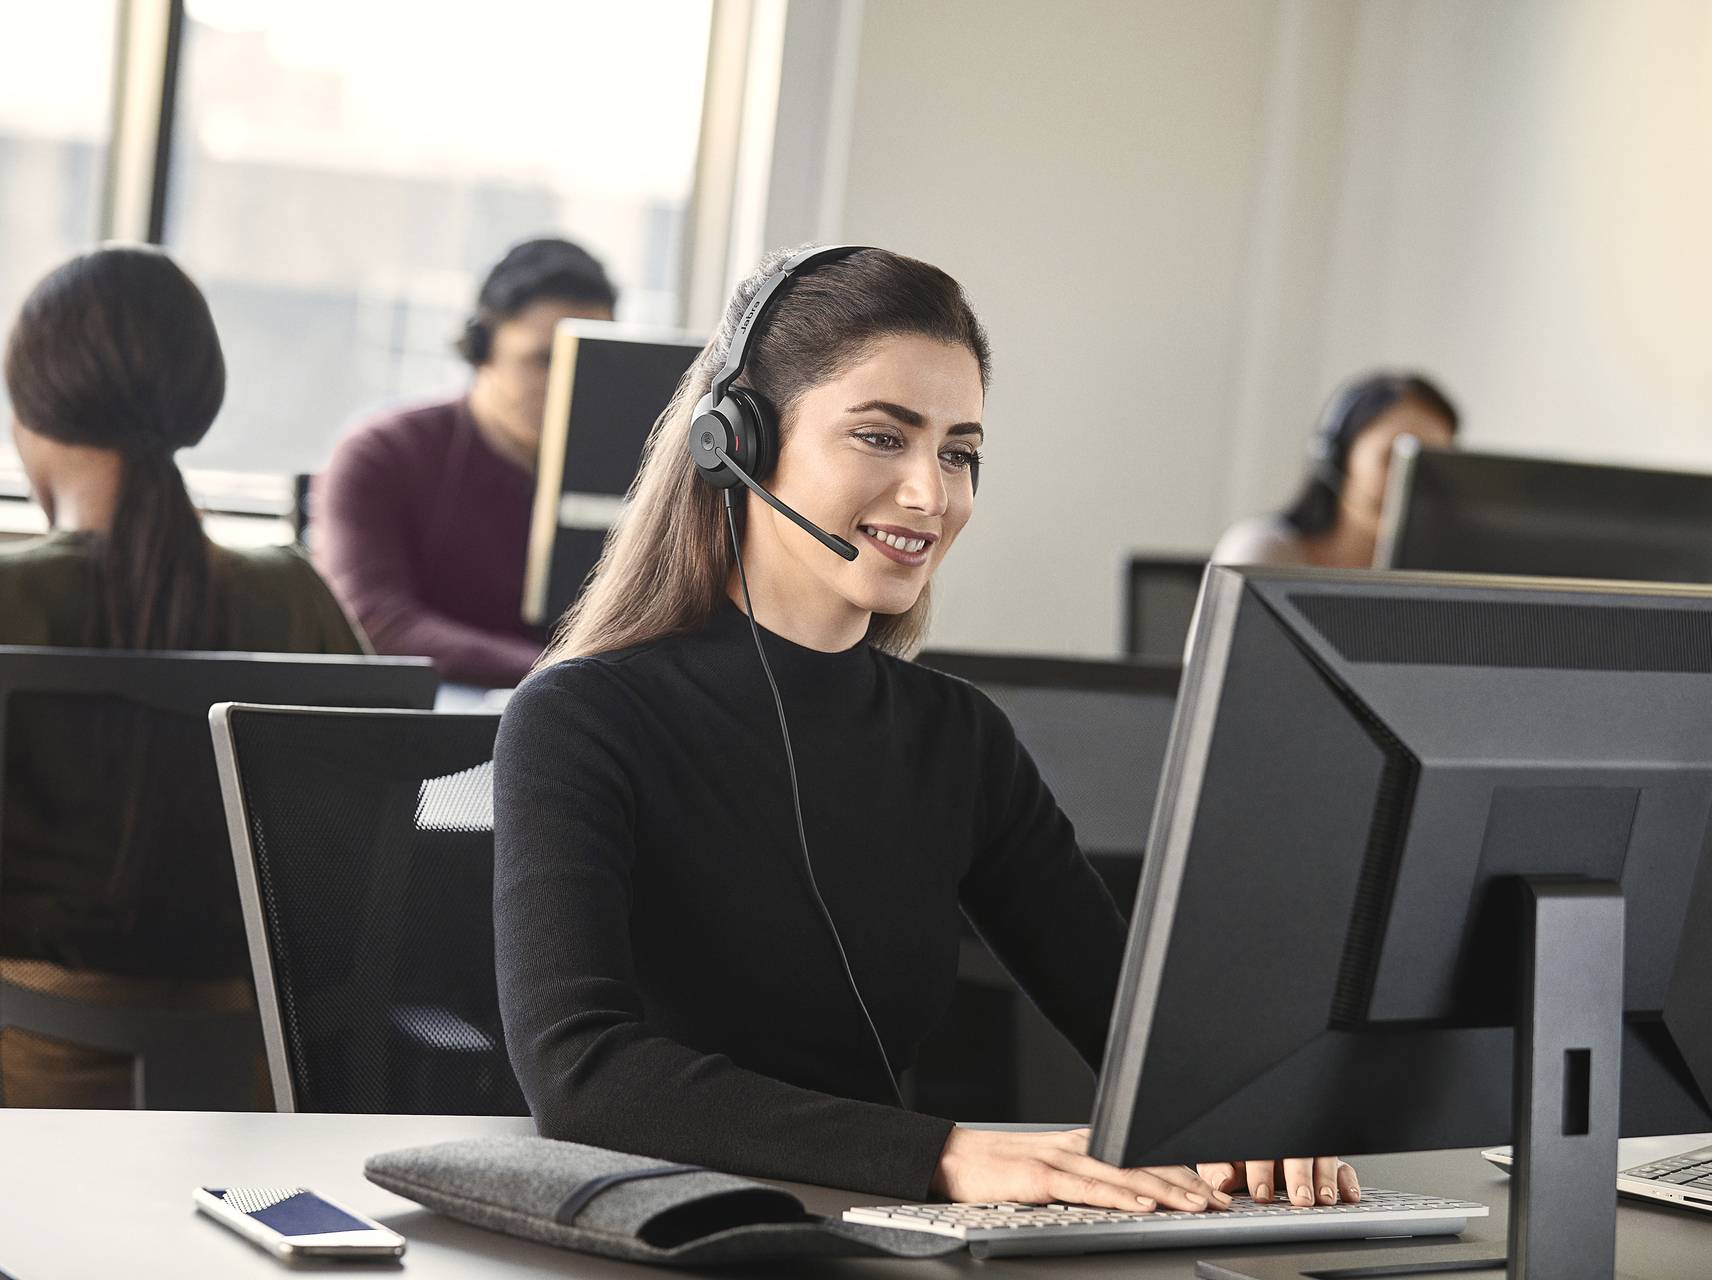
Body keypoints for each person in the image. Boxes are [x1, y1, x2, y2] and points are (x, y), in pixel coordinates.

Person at [494, 245, 1359, 1210]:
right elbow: (582, 1072)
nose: (931, 495)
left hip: (871, 1234)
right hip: (654, 1233)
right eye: (881, 437)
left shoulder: (959, 739)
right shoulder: (582, 719)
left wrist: (1257, 1116)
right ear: (736, 443)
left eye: (958, 453)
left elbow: (1133, 1023)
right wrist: (944, 1156)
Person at [0, 244, 366, 1105]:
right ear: (198, 399)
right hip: (248, 1086)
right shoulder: (297, 595)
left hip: (23, 1075)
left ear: (28, 410)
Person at [313, 237, 618, 688]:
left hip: (581, 704)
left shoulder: (641, 470)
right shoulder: (383, 453)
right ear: (480, 348)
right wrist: (559, 673)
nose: (571, 382)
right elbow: (374, 620)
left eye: (590, 360)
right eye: (545, 360)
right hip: (445, 712)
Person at [1213, 372, 1459, 568]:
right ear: (1336, 457)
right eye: (1390, 458)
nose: (1412, 482)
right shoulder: (1263, 550)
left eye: (1431, 465)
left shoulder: (1442, 570)